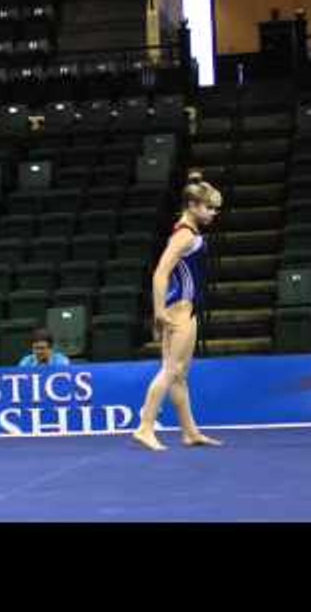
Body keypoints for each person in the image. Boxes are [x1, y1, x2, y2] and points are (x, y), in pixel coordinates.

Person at [132, 171, 224, 452]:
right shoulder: (184, 235)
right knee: (171, 370)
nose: (212, 213)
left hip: (185, 306)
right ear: (193, 206)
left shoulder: (189, 232)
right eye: (208, 208)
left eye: (214, 209)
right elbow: (160, 272)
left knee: (179, 374)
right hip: (179, 309)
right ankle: (145, 426)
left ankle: (190, 432)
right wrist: (159, 311)